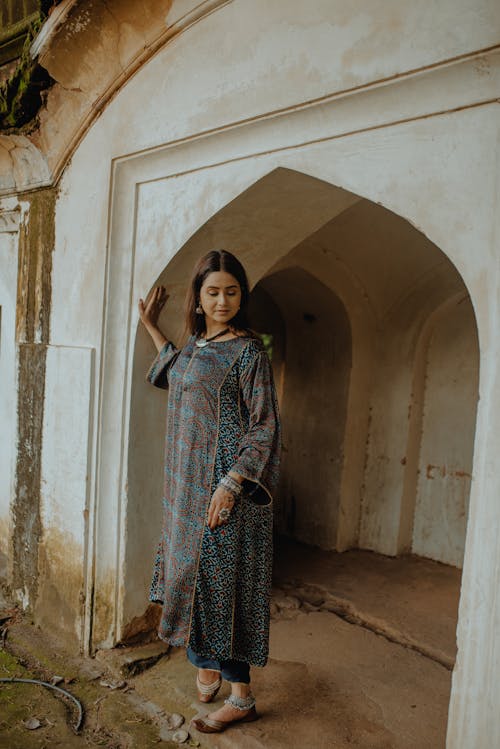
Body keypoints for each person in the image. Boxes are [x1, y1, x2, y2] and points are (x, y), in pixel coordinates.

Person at [138, 249, 281, 733]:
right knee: (189, 579)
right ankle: (205, 661)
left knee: (224, 588)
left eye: (232, 291)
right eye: (213, 291)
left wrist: (230, 485)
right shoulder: (199, 345)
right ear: (198, 298)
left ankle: (241, 697)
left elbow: (264, 427)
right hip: (183, 491)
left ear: (243, 296)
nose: (223, 300)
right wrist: (151, 327)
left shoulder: (248, 351)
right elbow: (174, 374)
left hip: (225, 492)